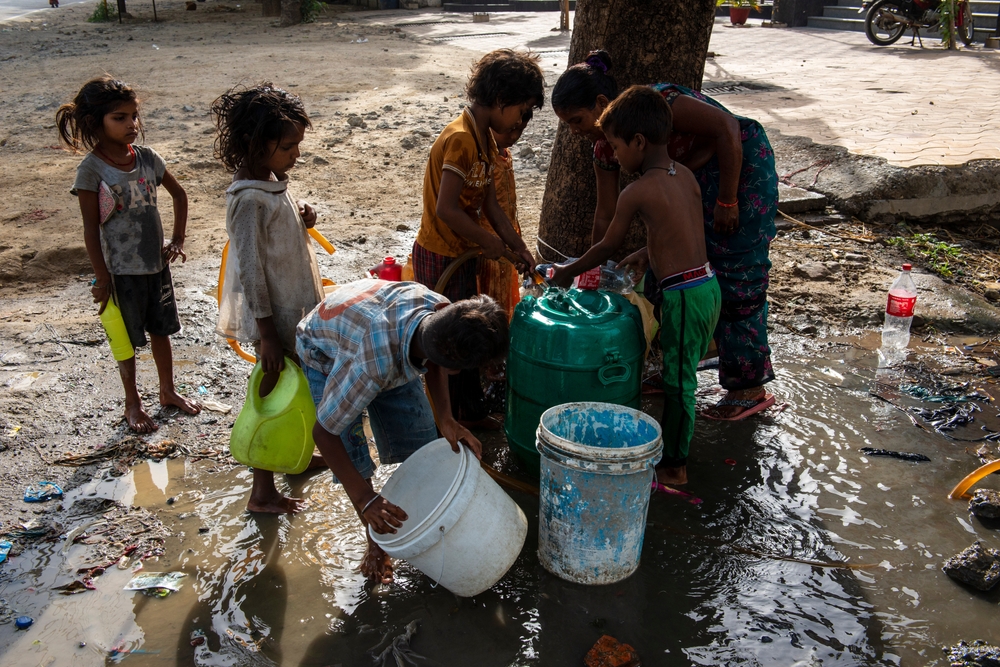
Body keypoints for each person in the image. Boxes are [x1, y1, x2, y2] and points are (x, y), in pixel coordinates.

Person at [551, 50, 778, 420]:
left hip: (740, 166)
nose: (574, 131)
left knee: (737, 275)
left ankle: (747, 388)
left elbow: (727, 129)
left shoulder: (658, 103)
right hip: (691, 180)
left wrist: (726, 199)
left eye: (576, 120)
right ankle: (683, 360)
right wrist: (593, 272)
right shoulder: (607, 147)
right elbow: (606, 216)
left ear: (601, 103)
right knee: (662, 272)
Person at [550, 86, 720, 487]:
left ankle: (675, 467)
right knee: (684, 373)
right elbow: (683, 231)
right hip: (707, 286)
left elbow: (607, 244)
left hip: (683, 295)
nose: (614, 154)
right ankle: (676, 452)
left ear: (638, 141)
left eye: (615, 145)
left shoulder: (636, 190)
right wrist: (647, 251)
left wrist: (566, 270)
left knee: (680, 384)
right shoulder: (687, 176)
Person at [296, 280, 509, 584]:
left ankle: (429, 527)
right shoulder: (371, 368)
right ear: (455, 368)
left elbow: (436, 360)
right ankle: (376, 544)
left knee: (422, 440)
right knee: (352, 454)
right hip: (326, 350)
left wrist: (446, 419)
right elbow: (324, 434)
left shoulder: (444, 314)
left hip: (381, 331)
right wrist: (366, 498)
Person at [59, 76, 200, 434]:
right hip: (121, 271)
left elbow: (180, 196)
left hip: (156, 265)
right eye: (119, 118)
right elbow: (91, 229)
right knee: (126, 341)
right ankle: (132, 403)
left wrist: (178, 240)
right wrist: (102, 278)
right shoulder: (91, 169)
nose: (131, 125)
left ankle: (167, 391)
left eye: (134, 116)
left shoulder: (148, 159)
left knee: (161, 330)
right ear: (97, 123)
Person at [212, 83, 325, 514]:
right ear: (255, 144)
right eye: (288, 146)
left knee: (297, 390)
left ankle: (294, 457)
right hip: (272, 317)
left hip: (292, 308)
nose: (295, 154)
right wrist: (267, 334)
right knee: (272, 395)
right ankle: (262, 491)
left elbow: (282, 224)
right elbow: (252, 269)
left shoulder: (272, 180)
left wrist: (304, 214)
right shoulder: (247, 200)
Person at [413, 48, 541, 428]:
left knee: (472, 335)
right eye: (522, 110)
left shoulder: (485, 139)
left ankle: (469, 413)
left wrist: (517, 247)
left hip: (463, 253)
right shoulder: (461, 140)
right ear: (502, 101)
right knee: (449, 341)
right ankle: (445, 419)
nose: (521, 120)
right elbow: (446, 210)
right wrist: (488, 244)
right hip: (440, 256)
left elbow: (491, 208)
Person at [477, 123, 527, 319]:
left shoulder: (504, 154)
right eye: (508, 129)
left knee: (504, 294)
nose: (514, 136)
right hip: (491, 242)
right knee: (488, 299)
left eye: (519, 130)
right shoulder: (486, 159)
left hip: (508, 234)